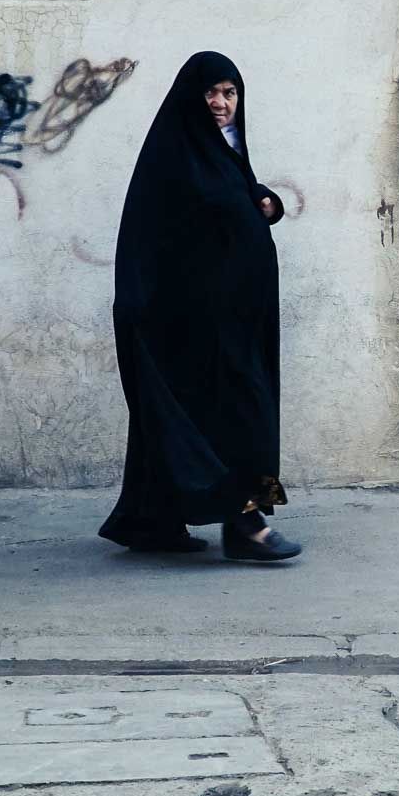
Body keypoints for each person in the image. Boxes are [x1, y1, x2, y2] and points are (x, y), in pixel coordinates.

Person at [97, 51, 303, 562]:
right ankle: (247, 524)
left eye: (229, 92)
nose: (219, 102)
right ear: (190, 98)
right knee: (240, 415)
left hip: (232, 322)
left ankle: (150, 522)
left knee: (201, 416)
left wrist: (266, 202)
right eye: (210, 92)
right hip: (196, 325)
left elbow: (231, 200)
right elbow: (170, 229)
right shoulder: (173, 156)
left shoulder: (223, 150)